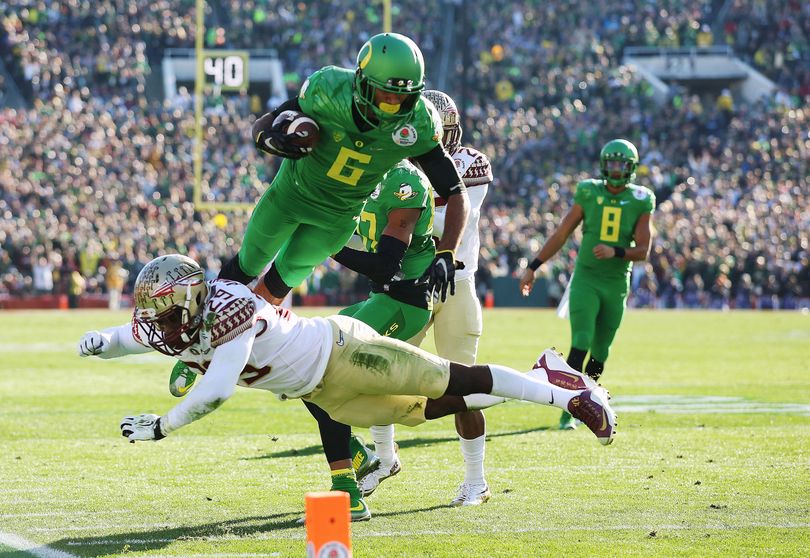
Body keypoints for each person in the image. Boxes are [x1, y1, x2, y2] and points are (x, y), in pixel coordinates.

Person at [77, 255, 616, 516]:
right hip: (324, 393)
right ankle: (544, 373)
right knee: (425, 410)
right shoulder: (179, 323)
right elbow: (132, 337)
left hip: (343, 352)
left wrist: (164, 426)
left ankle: (563, 390)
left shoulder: (227, 308)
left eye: (167, 315)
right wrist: (99, 342)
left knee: (448, 377)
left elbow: (217, 389)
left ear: (193, 303)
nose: (160, 326)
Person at [219, 32, 470, 306]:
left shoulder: (418, 122)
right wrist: (268, 139)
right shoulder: (329, 90)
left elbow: (455, 191)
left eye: (402, 97)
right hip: (291, 196)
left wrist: (447, 250)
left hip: (337, 217)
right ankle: (204, 338)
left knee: (276, 288)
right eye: (385, 93)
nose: (392, 105)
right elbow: (268, 122)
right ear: (361, 81)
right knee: (243, 269)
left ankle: (249, 341)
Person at [363, 90, 495, 506]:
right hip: (405, 286)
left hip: (453, 282)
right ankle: (384, 458)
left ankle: (476, 480)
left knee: (463, 386)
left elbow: (451, 220)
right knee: (376, 371)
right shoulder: (392, 165)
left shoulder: (468, 163)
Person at [519, 139, 655, 430]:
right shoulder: (589, 191)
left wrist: (616, 251)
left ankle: (589, 403)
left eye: (622, 164)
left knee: (601, 351)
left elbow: (643, 250)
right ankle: (569, 408)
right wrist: (533, 266)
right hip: (587, 278)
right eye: (613, 163)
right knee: (580, 340)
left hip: (616, 282)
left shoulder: (642, 198)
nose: (616, 170)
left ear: (630, 168)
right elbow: (562, 233)